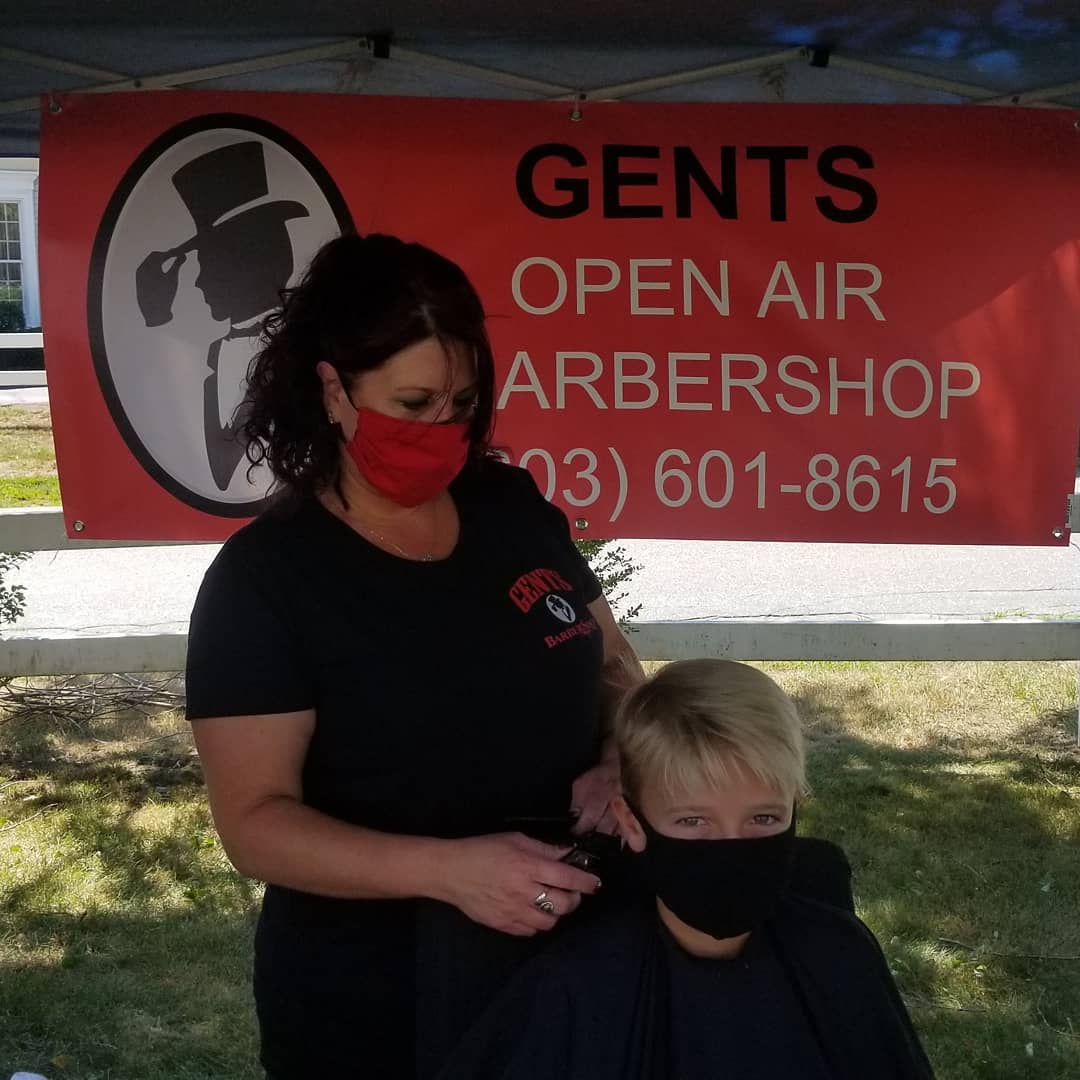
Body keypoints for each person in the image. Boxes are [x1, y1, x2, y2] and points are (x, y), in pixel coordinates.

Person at [184, 232, 644, 1078]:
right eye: (413, 402)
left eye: (462, 404)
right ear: (332, 390)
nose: (443, 430)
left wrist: (623, 758)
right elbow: (254, 827)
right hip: (370, 998)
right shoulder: (269, 578)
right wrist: (450, 872)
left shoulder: (512, 507)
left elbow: (613, 664)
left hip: (567, 964)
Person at [438, 659, 935, 1079]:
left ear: (794, 812)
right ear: (632, 823)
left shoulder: (840, 955)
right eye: (693, 821)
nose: (730, 847)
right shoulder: (577, 990)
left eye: (763, 818)